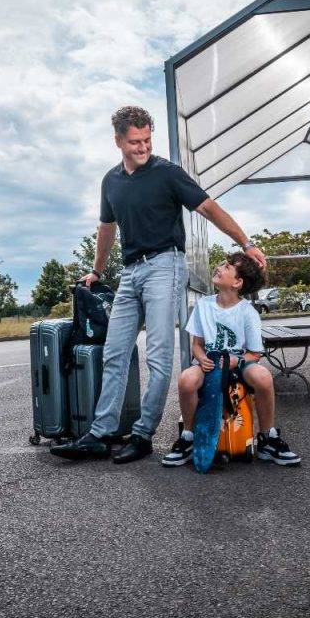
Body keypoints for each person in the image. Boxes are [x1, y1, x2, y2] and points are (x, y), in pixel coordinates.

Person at [50, 105, 267, 464]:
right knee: (115, 352)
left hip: (165, 266)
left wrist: (246, 243)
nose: (143, 147)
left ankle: (142, 434)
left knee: (158, 354)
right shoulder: (111, 181)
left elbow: (209, 208)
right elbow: (107, 228)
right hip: (130, 272)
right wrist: (97, 271)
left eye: (147, 140)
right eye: (135, 142)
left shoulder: (167, 173)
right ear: (118, 141)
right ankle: (100, 434)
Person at [161, 252, 301, 468]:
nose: (219, 267)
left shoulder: (247, 312)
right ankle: (189, 438)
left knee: (263, 377)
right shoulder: (203, 305)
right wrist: (201, 358)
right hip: (209, 362)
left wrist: (236, 361)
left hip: (238, 363)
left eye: (227, 267)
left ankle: (267, 438)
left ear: (237, 282)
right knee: (186, 381)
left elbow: (255, 353)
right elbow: (196, 345)